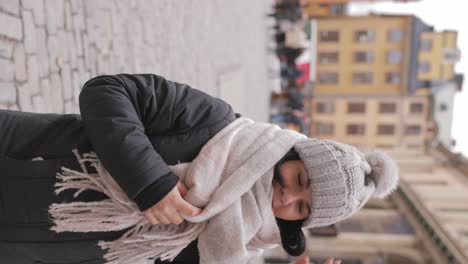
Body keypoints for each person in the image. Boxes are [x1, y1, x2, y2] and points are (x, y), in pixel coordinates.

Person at [0, 73, 399, 264]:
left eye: (301, 208)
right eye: (300, 179)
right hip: (16, 160)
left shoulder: (229, 250)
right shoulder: (215, 124)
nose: (288, 196)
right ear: (294, 153)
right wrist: (150, 183)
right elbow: (107, 90)